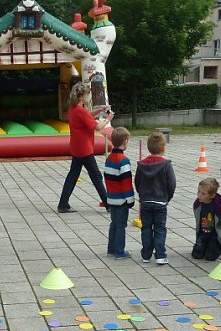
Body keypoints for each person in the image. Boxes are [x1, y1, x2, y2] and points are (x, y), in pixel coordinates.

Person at [57, 82, 114, 213]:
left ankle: (63, 204)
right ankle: (108, 205)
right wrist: (108, 118)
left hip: (77, 147)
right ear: (82, 96)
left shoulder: (74, 108)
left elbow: (87, 116)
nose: (89, 96)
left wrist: (99, 110)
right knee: (96, 176)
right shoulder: (80, 110)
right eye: (88, 94)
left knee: (72, 176)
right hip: (84, 149)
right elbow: (98, 127)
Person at [135, 131, 176, 265]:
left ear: (148, 148)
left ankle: (146, 255)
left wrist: (141, 195)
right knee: (159, 228)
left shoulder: (141, 165)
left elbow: (137, 182)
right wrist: (167, 197)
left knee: (146, 228)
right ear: (164, 148)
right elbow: (172, 183)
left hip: (146, 201)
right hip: (160, 201)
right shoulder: (166, 165)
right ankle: (160, 255)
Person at [103, 126, 135, 259]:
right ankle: (120, 251)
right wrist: (131, 199)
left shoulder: (109, 158)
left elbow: (107, 178)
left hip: (111, 197)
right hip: (122, 199)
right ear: (125, 141)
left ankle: (111, 248)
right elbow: (126, 182)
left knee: (114, 224)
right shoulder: (124, 160)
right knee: (121, 225)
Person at [192, 177, 221, 262]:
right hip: (203, 234)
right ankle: (204, 245)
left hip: (215, 235)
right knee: (196, 255)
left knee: (210, 257)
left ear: (212, 195)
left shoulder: (220, 206)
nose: (199, 195)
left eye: (203, 193)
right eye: (198, 192)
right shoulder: (197, 204)